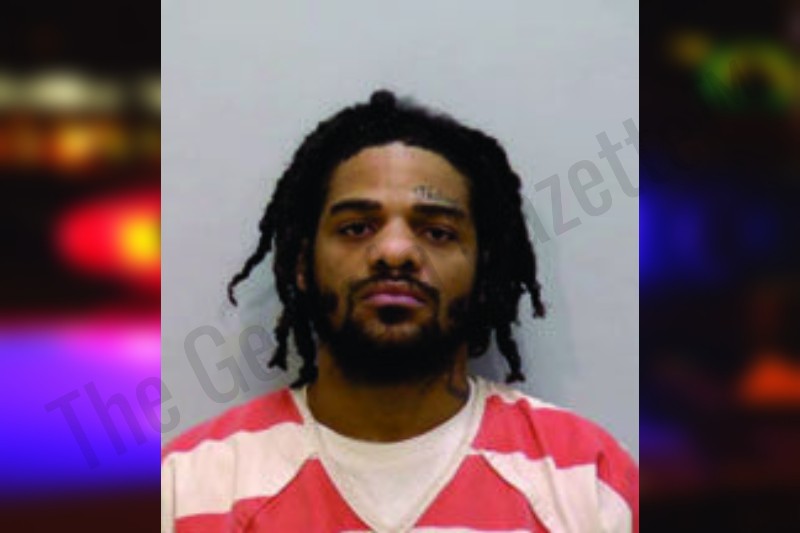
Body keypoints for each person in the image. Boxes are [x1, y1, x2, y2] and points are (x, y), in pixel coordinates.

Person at [162, 90, 639, 532]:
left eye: (437, 232)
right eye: (356, 228)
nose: (395, 251)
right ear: (302, 264)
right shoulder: (189, 486)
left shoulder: (588, 480)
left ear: (484, 271)